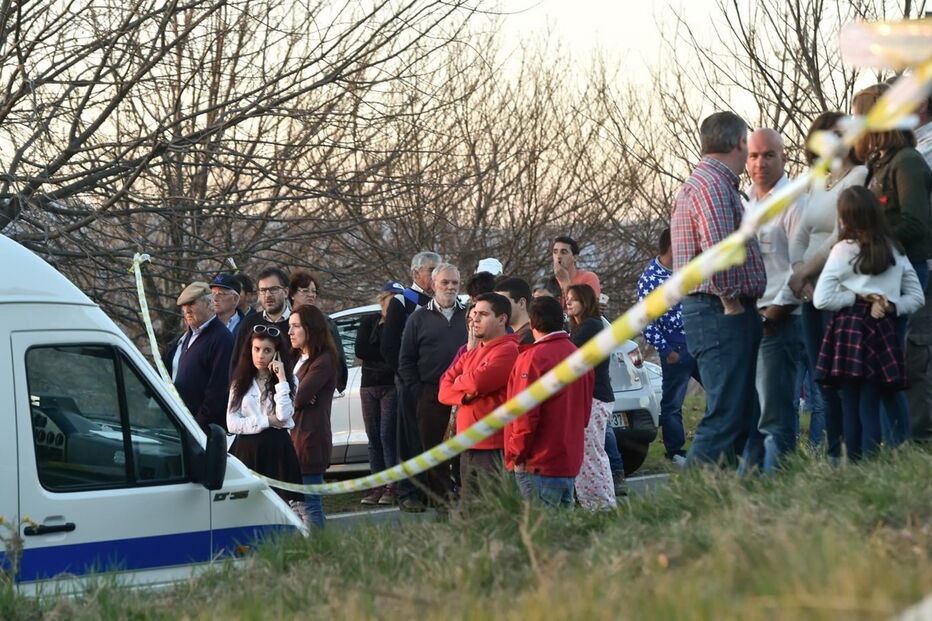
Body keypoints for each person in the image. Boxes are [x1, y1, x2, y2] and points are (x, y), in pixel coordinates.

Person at [670, 111, 766, 468]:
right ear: (740, 142)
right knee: (727, 411)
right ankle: (696, 489)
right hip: (720, 310)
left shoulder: (707, 182)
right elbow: (719, 252)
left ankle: (737, 488)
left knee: (743, 410)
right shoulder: (713, 186)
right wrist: (731, 302)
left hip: (713, 309)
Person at [813, 186, 925, 459]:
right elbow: (917, 297)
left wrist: (853, 298)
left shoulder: (842, 250)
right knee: (870, 403)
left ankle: (853, 462)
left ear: (844, 217)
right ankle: (872, 461)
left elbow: (821, 299)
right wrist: (892, 306)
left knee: (850, 403)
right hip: (881, 330)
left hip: (849, 330)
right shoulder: (895, 250)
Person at [853, 83, 932, 446]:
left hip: (907, 271)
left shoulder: (908, 162)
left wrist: (873, 245)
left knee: (907, 357)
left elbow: (914, 223)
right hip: (882, 274)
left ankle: (913, 442)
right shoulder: (878, 164)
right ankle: (888, 444)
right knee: (882, 362)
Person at [788, 112, 867, 459]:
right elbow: (799, 234)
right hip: (809, 290)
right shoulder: (817, 180)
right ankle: (833, 455)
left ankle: (852, 454)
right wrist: (799, 272)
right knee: (822, 378)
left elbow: (841, 234)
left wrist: (805, 272)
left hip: (839, 286)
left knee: (843, 378)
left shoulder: (860, 176)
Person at [741, 128, 804, 474]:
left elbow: (800, 270)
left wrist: (774, 314)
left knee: (775, 415)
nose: (760, 163)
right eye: (753, 155)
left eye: (768, 155)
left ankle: (779, 482)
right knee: (751, 413)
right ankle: (752, 486)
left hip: (779, 320)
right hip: (747, 318)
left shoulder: (794, 202)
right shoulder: (745, 203)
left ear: (784, 156)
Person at [505, 296, 594, 507]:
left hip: (539, 461)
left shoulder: (533, 358)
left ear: (532, 323)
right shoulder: (578, 356)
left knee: (538, 523)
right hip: (569, 458)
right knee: (564, 523)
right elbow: (585, 412)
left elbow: (525, 415)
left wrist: (517, 454)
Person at [398, 263, 468, 505]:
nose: (450, 287)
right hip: (431, 394)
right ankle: (442, 502)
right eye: (445, 282)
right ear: (434, 284)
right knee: (434, 450)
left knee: (463, 450)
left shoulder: (469, 315)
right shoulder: (418, 318)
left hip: (465, 394)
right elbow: (405, 360)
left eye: (454, 283)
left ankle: (464, 500)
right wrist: (419, 392)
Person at [438, 292, 519, 501]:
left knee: (493, 508)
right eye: (474, 314)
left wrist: (459, 382)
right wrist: (464, 396)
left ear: (502, 319)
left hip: (492, 446)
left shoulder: (509, 350)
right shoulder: (472, 352)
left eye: (483, 314)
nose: (475, 320)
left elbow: (477, 383)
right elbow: (443, 391)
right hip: (468, 445)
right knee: (470, 509)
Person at [381, 251, 440, 512]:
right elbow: (389, 346)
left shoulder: (441, 301)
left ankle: (434, 490)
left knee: (434, 437)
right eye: (431, 270)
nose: (435, 275)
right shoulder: (402, 301)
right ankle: (409, 492)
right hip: (410, 383)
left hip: (437, 383)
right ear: (416, 273)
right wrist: (408, 379)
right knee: (409, 438)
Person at [637, 227, 700, 465]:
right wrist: (666, 350)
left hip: (699, 341)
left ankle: (718, 442)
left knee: (720, 392)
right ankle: (675, 451)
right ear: (672, 246)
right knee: (673, 403)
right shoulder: (651, 278)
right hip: (676, 348)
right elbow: (645, 320)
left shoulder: (688, 270)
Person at [226, 325, 302, 507]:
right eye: (256, 349)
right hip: (247, 449)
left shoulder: (290, 380)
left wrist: (282, 379)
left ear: (277, 354)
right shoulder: (239, 382)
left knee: (281, 505)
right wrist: (267, 420)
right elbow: (232, 423)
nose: (260, 355)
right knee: (248, 507)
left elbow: (284, 415)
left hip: (277, 448)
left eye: (267, 350)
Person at [565, 284, 616, 510]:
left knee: (591, 453)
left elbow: (568, 355)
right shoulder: (582, 326)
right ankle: (592, 504)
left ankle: (602, 505)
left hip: (594, 397)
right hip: (592, 396)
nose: (568, 303)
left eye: (574, 299)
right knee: (588, 453)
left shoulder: (590, 326)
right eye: (567, 298)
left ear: (585, 302)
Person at [288, 305, 338, 529]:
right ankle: (305, 548)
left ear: (311, 328)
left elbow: (298, 398)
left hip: (309, 440)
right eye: (289, 326)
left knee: (309, 505)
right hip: (292, 439)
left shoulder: (323, 360)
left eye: (296, 326)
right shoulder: (295, 358)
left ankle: (319, 547)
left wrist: (294, 396)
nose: (290, 332)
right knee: (294, 506)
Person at [162, 281, 234, 433]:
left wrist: (197, 425)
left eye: (191, 304)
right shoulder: (186, 337)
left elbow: (218, 390)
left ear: (208, 303)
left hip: (201, 430)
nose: (186, 310)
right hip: (177, 422)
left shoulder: (222, 339)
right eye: (184, 306)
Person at [354, 283, 402, 505]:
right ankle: (377, 484)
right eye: (390, 302)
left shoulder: (400, 324)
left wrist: (384, 354)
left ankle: (392, 485)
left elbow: (395, 352)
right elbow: (361, 350)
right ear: (382, 300)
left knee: (387, 436)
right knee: (373, 438)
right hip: (368, 385)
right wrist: (385, 353)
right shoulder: (369, 321)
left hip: (390, 385)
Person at [907, 95, 932, 442]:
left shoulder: (925, 152)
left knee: (918, 347)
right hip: (912, 264)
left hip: (924, 263)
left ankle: (921, 436)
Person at [288, 269, 348, 392]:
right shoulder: (283, 321)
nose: (311, 295)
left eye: (314, 291)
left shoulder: (324, 322)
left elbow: (338, 357)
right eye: (305, 291)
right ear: (292, 294)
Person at [231, 267, 292, 371]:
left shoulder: (298, 324)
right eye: (263, 290)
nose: (268, 295)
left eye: (273, 289)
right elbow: (237, 364)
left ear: (286, 292)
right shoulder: (249, 323)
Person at [552, 235, 601, 303]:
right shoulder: (550, 282)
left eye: (563, 252)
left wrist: (565, 282)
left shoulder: (588, 278)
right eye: (555, 252)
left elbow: (588, 306)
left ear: (575, 257)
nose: (558, 256)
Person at [494, 277, 536, 345]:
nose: (497, 308)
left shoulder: (527, 338)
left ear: (521, 303)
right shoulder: (519, 337)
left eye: (503, 302)